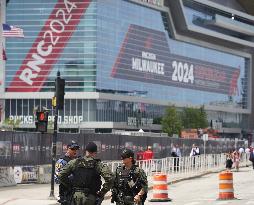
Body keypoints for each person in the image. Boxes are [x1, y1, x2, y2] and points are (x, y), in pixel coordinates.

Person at [55, 141, 80, 205]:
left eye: (76, 149)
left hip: (77, 193)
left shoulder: (78, 161)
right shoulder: (61, 161)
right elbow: (57, 178)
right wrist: (70, 181)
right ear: (68, 149)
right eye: (72, 149)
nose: (75, 151)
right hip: (66, 193)